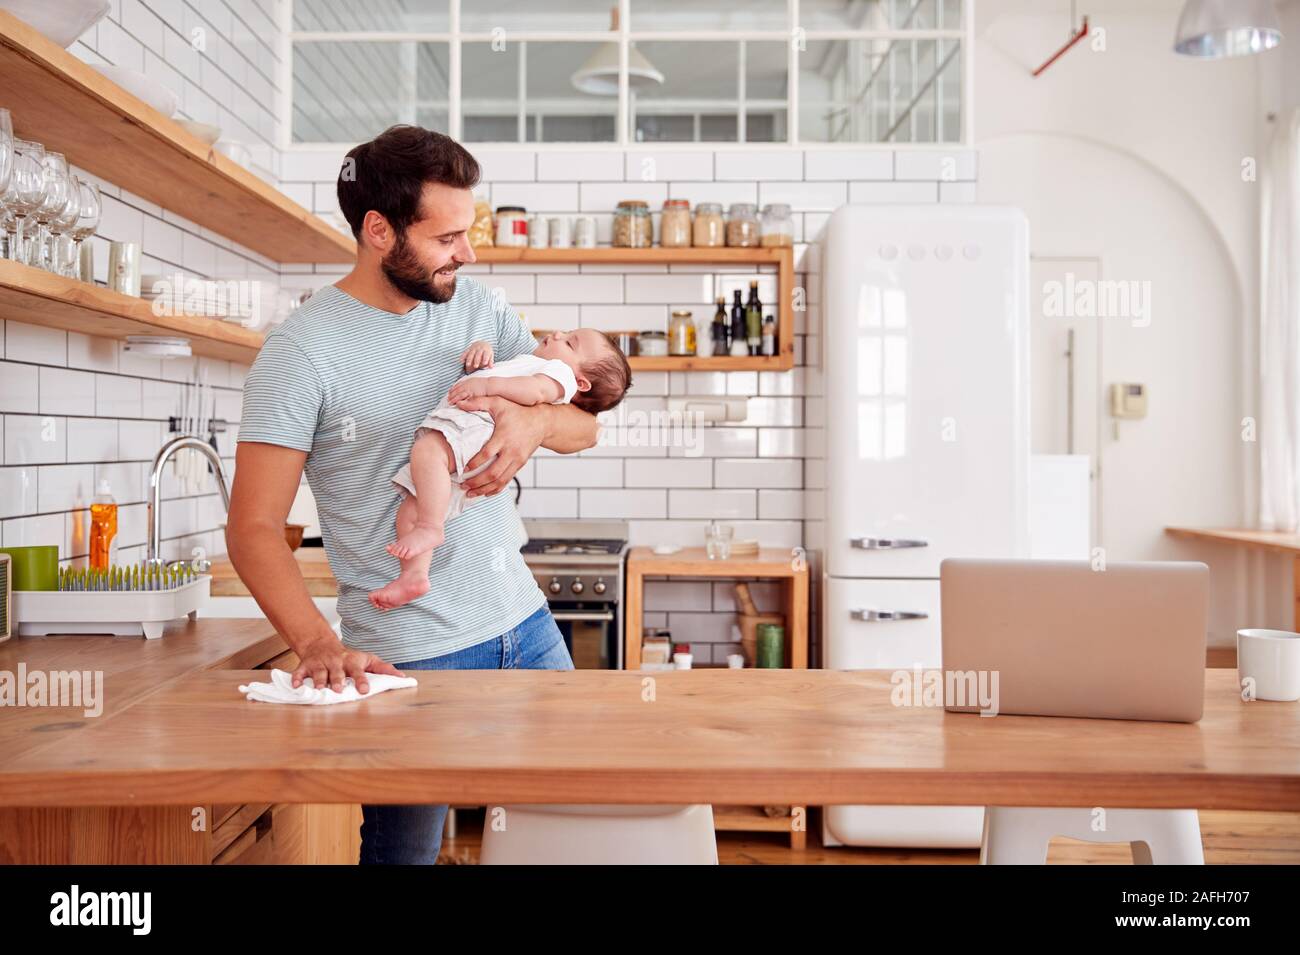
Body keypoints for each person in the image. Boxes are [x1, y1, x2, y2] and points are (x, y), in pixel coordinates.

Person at [225, 124, 599, 864]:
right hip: (408, 659)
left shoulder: (478, 307)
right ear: (377, 230)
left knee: (574, 830)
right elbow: (255, 527)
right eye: (448, 237)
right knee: (402, 858)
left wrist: (533, 424)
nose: (468, 252)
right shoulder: (300, 352)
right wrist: (317, 642)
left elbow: (584, 425)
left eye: (470, 231)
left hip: (525, 624)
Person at [373, 329, 631, 610]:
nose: (558, 334)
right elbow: (504, 373)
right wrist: (483, 351)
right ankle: (414, 576)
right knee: (412, 508)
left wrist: (487, 386)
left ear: (579, 383)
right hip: (469, 442)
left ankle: (430, 527)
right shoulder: (531, 361)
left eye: (569, 342)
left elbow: (535, 392)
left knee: (427, 453)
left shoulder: (558, 373)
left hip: (475, 429)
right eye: (567, 332)